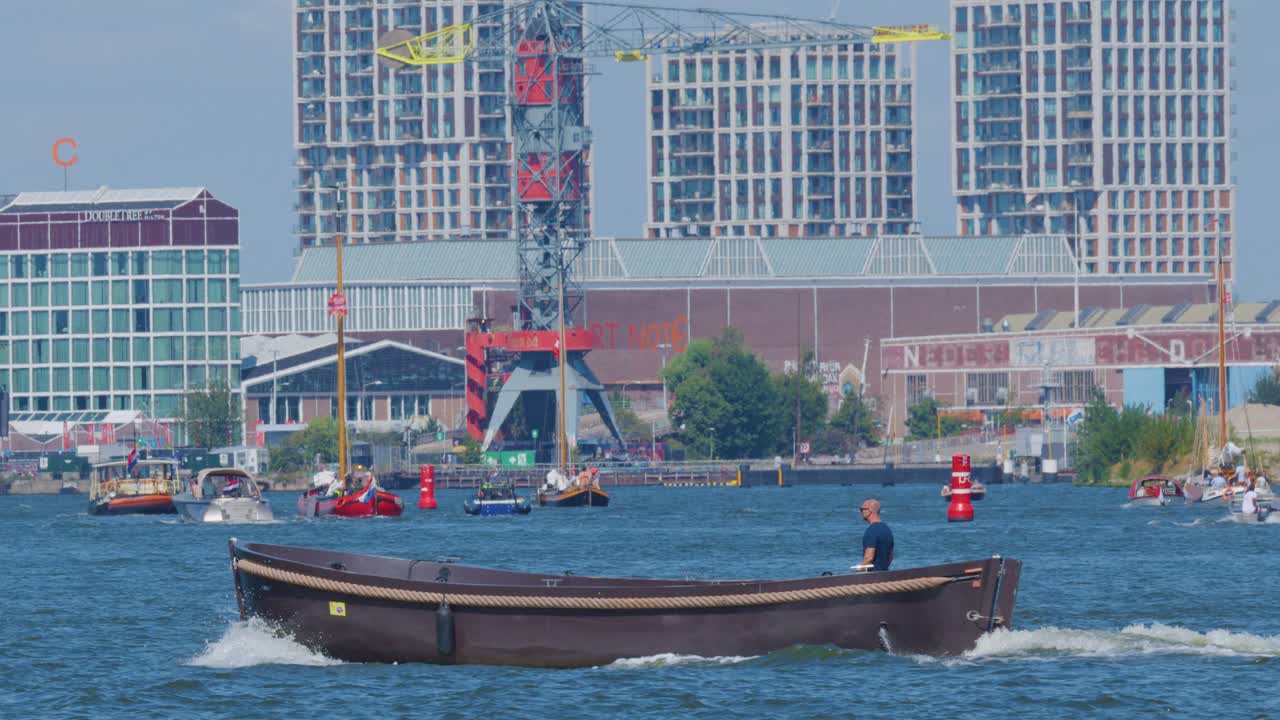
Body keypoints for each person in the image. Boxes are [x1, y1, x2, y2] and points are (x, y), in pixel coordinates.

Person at [858, 498, 894, 572]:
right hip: (885, 574)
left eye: (862, 509)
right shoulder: (887, 529)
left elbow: (869, 558)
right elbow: (890, 557)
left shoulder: (872, 530)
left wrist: (858, 572)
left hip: (872, 576)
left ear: (870, 511)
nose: (861, 512)